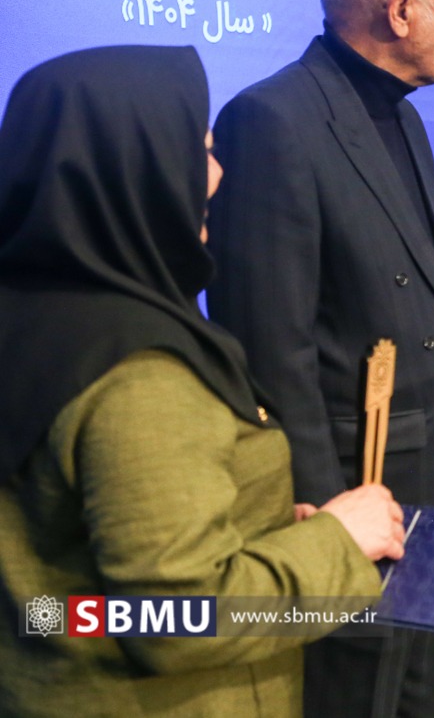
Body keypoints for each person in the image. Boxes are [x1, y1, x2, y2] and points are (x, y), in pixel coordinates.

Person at [0, 45, 404, 717]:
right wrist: (336, 544)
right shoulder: (141, 375)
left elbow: (49, 600)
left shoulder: (34, 322)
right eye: (203, 151)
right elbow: (176, 619)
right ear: (138, 169)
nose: (217, 174)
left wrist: (260, 532)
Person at [206, 0, 434, 718]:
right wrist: (326, 523)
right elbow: (269, 348)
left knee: (431, 694)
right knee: (360, 695)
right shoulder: (273, 121)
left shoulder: (405, 117)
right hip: (357, 495)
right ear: (401, 9)